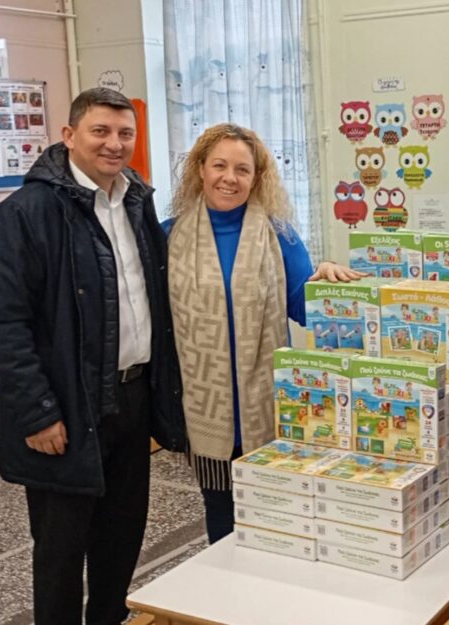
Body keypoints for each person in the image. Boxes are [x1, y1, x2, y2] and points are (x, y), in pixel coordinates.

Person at [0, 87, 185, 625]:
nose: (114, 144)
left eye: (125, 133)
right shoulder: (23, 215)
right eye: (100, 131)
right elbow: (2, 324)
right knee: (61, 553)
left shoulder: (137, 202)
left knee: (121, 539)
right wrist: (39, 412)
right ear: (69, 135)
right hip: (65, 409)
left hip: (132, 400)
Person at [164, 123, 364, 543]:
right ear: (200, 169)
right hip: (204, 409)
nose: (230, 178)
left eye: (243, 169)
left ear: (257, 177)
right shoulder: (168, 236)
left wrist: (326, 282)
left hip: (268, 406)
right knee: (221, 516)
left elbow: (304, 307)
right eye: (219, 165)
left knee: (276, 519)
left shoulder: (280, 235)